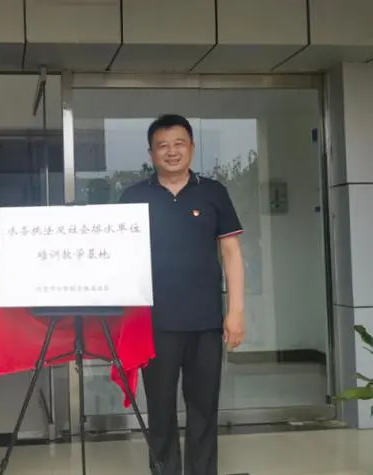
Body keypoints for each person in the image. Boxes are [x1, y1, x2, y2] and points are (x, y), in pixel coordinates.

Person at [120, 114, 245, 475]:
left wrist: (236, 311)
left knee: (204, 409)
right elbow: (118, 255)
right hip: (154, 322)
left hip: (205, 321)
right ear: (151, 153)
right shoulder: (134, 197)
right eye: (162, 145)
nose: (171, 151)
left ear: (191, 147)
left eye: (179, 143)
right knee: (160, 411)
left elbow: (231, 253)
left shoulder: (213, 192)